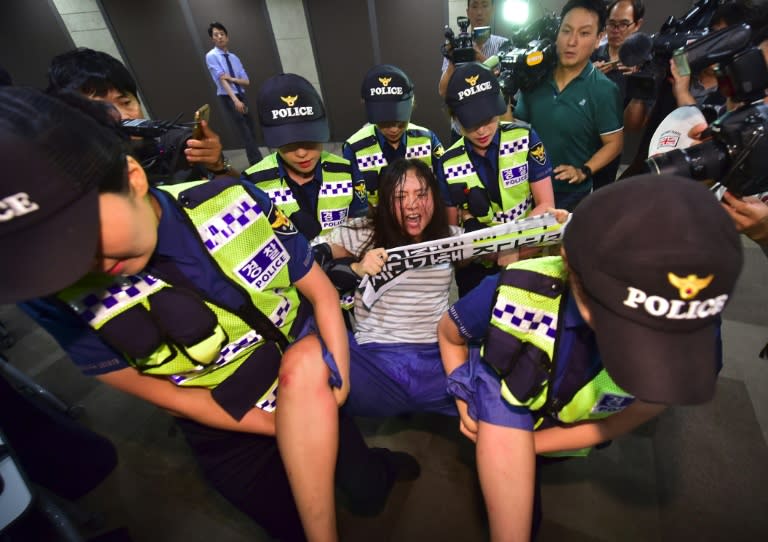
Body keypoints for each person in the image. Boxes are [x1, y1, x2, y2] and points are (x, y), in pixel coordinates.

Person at [0, 87, 416, 542]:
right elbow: (159, 391)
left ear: (132, 178)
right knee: (287, 522)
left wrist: (338, 376)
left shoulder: (232, 198)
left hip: (314, 379)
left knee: (363, 484)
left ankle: (373, 474)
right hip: (225, 426)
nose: (82, 265)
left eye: (83, 234)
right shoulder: (47, 294)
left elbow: (317, 289)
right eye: (49, 257)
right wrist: (279, 425)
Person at [437, 175, 744, 541]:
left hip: (570, 432)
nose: (648, 349)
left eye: (666, 338)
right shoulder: (513, 292)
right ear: (570, 264)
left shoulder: (696, 342)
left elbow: (637, 412)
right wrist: (466, 399)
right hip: (518, 406)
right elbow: (449, 334)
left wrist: (529, 447)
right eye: (619, 321)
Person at [327, 158, 461, 417]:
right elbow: (304, 263)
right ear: (387, 202)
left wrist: (551, 223)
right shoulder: (361, 233)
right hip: (375, 361)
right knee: (310, 351)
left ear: (434, 197)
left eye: (421, 194)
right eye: (400, 196)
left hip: (436, 356)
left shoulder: (452, 237)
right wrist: (354, 270)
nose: (412, 204)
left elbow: (507, 243)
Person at [438, 61, 555, 296]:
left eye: (488, 118)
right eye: (471, 123)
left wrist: (513, 245)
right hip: (475, 269)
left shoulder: (525, 138)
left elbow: (546, 205)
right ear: (455, 118)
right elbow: (451, 231)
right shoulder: (447, 162)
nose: (482, 131)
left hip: (525, 255)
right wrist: (491, 252)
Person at [47, 47, 234, 183]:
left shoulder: (179, 145)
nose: (121, 116)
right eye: (100, 108)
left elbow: (242, 193)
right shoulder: (72, 179)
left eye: (126, 102)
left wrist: (217, 164)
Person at [513, 0, 623, 211]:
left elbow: (614, 143)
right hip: (528, 187)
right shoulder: (535, 78)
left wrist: (584, 170)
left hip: (572, 194)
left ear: (599, 38)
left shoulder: (603, 90)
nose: (571, 41)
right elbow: (519, 126)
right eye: (566, 31)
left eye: (584, 33)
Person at [245, 73, 367, 247]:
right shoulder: (254, 183)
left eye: (310, 139)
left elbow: (361, 228)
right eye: (287, 143)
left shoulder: (347, 172)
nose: (302, 153)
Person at [343, 64, 449, 214]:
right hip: (376, 224)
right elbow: (357, 207)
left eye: (401, 122)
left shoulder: (427, 139)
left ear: (412, 105)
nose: (394, 129)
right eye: (385, 123)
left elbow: (445, 191)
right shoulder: (354, 148)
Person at [439, 0, 510, 143]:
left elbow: (504, 84)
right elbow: (443, 91)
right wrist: (453, 60)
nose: (479, 12)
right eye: (475, 6)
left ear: (492, 9)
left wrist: (479, 57)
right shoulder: (456, 46)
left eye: (484, 5)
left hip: (492, 131)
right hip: (462, 130)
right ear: (467, 12)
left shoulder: (503, 44)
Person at [205, 21, 263, 165]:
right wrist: (235, 100)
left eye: (222, 34)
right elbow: (221, 80)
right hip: (228, 97)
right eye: (216, 35)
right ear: (212, 39)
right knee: (244, 130)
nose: (219, 37)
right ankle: (257, 162)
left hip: (241, 94)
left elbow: (246, 81)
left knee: (251, 127)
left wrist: (231, 78)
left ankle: (254, 158)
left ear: (227, 37)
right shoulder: (211, 56)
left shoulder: (234, 57)